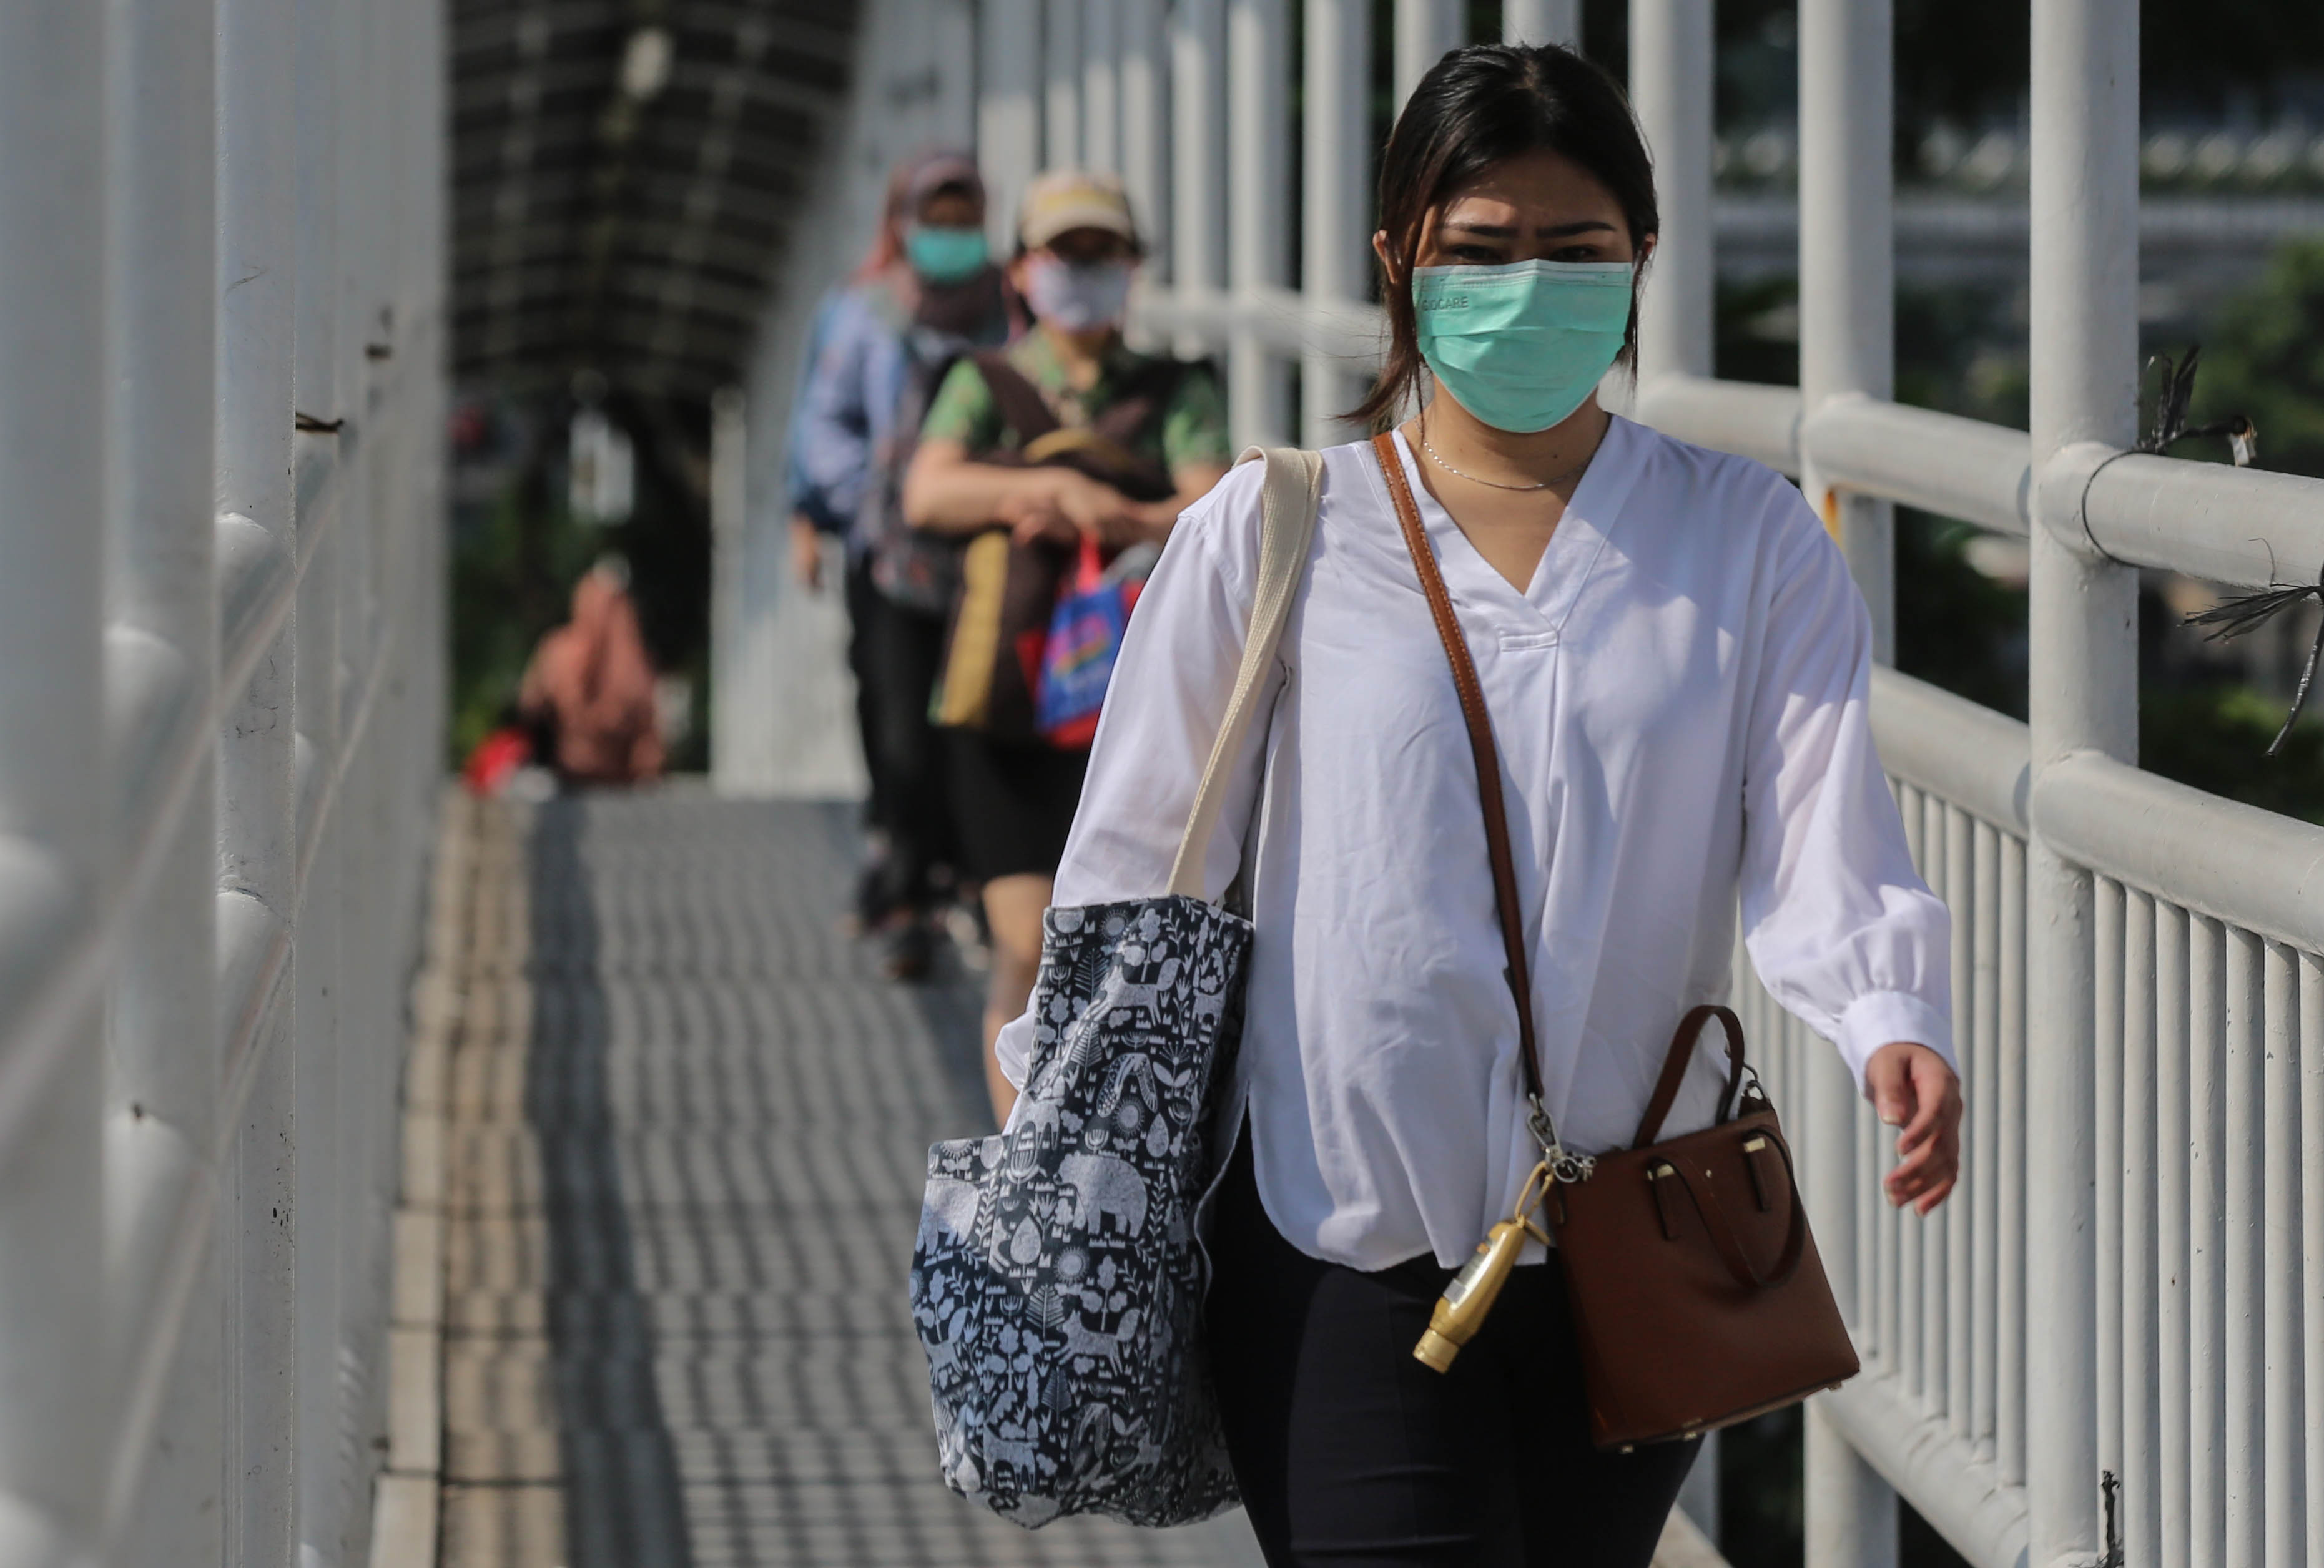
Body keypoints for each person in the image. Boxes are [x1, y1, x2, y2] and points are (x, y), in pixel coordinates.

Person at [988, 45, 1964, 1568]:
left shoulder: (1743, 540)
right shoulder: (1277, 530)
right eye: (1479, 248)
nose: (1527, 289)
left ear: (1641, 255)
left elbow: (1815, 817)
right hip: (1339, 1226)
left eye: (1573, 251)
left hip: (1633, 1236)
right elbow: (1127, 861)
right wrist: (1056, 1094)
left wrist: (1886, 1012)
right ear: (1397, 260)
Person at [903, 169, 1232, 1115]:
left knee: (1113, 951)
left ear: (1132, 269)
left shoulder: (1177, 389)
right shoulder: (985, 382)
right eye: (1065, 254)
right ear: (1022, 269)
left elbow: (1209, 506)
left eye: (1103, 254)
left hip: (1131, 707)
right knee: (1023, 943)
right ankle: (1023, 1168)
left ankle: (1083, 1146)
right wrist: (1042, 494)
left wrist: (1116, 514)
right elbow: (927, 493)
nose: (1084, 273)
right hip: (1002, 704)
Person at [787, 150, 1017, 978]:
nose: (950, 240)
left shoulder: (1010, 309)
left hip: (987, 551)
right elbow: (821, 423)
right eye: (935, 221)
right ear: (902, 222)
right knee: (899, 727)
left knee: (971, 722)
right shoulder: (861, 313)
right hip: (887, 556)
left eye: (965, 222)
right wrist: (866, 506)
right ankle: (906, 879)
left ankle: (945, 883)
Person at [516, 559, 664, 786]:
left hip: (614, 786)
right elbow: (531, 709)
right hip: (574, 780)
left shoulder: (632, 663)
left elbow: (649, 746)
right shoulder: (559, 652)